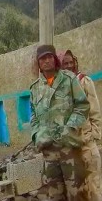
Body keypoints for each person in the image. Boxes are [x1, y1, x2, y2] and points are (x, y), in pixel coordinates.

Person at [30, 45, 90, 201]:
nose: (47, 61)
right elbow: (33, 116)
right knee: (54, 195)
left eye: (50, 57)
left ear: (55, 59)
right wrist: (37, 135)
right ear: (38, 63)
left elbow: (82, 106)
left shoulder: (69, 79)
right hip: (49, 151)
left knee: (77, 193)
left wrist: (69, 128)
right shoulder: (35, 89)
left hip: (69, 147)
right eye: (43, 58)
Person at [60, 50, 102, 200]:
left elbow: (95, 112)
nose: (70, 66)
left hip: (87, 144)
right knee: (76, 191)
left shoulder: (84, 81)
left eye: (71, 62)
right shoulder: (58, 88)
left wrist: (94, 135)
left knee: (94, 187)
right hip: (70, 148)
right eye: (66, 63)